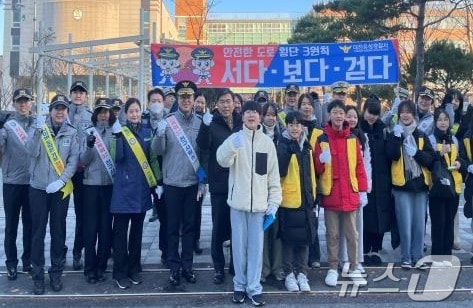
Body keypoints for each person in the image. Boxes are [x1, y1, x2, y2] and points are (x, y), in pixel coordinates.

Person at [217, 101, 282, 306]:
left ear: (260, 117)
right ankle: (239, 285)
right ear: (242, 116)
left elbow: (272, 176)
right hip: (238, 204)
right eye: (247, 112)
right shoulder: (235, 138)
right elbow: (222, 160)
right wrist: (231, 146)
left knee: (256, 249)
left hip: (259, 207)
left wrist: (274, 202)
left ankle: (254, 288)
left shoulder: (267, 143)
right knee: (238, 248)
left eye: (255, 112)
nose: (251, 115)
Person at [153, 80, 205, 286]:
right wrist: (159, 133)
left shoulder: (201, 123)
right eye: (182, 97)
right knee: (172, 228)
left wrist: (203, 181)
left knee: (190, 229)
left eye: (189, 97)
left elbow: (203, 154)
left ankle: (188, 267)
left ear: (193, 100)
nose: (186, 100)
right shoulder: (168, 121)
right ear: (177, 98)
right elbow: (158, 151)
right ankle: (174, 269)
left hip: (192, 183)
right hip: (172, 183)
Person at [26, 94, 79, 295]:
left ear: (67, 112)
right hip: (38, 188)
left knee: (58, 231)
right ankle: (37, 275)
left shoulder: (71, 133)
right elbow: (30, 152)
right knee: (37, 232)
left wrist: (61, 181)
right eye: (56, 108)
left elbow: (73, 160)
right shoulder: (38, 127)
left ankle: (56, 273)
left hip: (59, 190)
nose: (59, 112)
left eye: (63, 109)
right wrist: (39, 132)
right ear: (50, 111)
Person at [314, 99, 368, 287]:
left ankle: (353, 267)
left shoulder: (352, 139)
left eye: (341, 112)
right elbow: (316, 168)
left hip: (350, 193)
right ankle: (332, 268)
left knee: (352, 234)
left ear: (345, 116)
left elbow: (359, 166)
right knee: (332, 234)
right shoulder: (322, 139)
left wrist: (362, 190)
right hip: (331, 194)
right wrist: (320, 160)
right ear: (329, 115)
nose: (338, 116)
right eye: (335, 112)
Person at [110, 98, 157, 289]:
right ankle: (119, 272)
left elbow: (152, 159)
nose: (135, 114)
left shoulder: (147, 133)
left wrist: (157, 183)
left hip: (141, 192)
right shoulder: (120, 132)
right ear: (125, 113)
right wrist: (116, 138)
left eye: (137, 111)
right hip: (123, 192)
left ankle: (134, 268)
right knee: (120, 236)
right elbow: (117, 157)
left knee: (137, 234)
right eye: (131, 111)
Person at [196, 88, 242, 284]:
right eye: (222, 101)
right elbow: (203, 145)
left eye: (228, 101)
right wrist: (205, 127)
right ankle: (218, 268)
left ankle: (234, 265)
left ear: (234, 103)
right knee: (218, 227)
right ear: (217, 105)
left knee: (236, 228)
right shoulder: (211, 123)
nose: (225, 105)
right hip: (220, 183)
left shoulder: (241, 122)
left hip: (239, 181)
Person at [386, 100, 434, 270]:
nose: (405, 115)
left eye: (409, 112)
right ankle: (406, 257)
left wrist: (417, 153)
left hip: (420, 186)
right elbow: (391, 156)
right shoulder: (394, 133)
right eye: (402, 112)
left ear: (413, 114)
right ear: (399, 114)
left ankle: (418, 256)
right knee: (404, 224)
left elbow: (430, 159)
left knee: (419, 224)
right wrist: (396, 138)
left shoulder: (421, 135)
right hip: (401, 186)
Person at [277, 110, 316, 292]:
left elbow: (311, 173)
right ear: (286, 125)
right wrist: (288, 152)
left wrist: (314, 195)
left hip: (306, 199)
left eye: (298, 124)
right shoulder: (282, 144)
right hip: (289, 200)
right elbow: (280, 171)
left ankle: (302, 274)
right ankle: (289, 274)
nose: (294, 128)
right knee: (288, 239)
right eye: (291, 124)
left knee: (305, 239)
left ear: (302, 126)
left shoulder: (306, 146)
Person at [80, 98, 116, 284]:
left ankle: (101, 267)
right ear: (95, 113)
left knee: (105, 228)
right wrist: (88, 145)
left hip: (109, 187)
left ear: (111, 114)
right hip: (91, 186)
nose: (103, 114)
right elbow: (83, 161)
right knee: (90, 229)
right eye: (100, 111)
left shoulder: (116, 133)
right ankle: (89, 268)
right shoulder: (88, 132)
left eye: (106, 111)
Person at [0, 88, 34, 280]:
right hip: (12, 182)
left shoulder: (37, 124)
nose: (23, 104)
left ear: (31, 103)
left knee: (30, 224)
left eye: (26, 101)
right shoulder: (8, 126)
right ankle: (11, 263)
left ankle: (27, 260)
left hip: (32, 184)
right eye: (19, 101)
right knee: (11, 225)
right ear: (14, 103)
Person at [360, 98, 393, 266]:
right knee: (366, 215)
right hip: (365, 180)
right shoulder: (358, 129)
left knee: (381, 215)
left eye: (375, 113)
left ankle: (376, 250)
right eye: (369, 112)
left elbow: (390, 155)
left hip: (382, 180)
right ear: (363, 111)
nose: (371, 116)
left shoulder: (383, 130)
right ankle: (365, 250)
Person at [428, 109, 463, 266]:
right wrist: (440, 153)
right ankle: (437, 256)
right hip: (436, 186)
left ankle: (447, 255)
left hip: (453, 186)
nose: (443, 122)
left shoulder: (454, 139)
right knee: (438, 222)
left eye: (445, 119)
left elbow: (462, 158)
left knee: (449, 221)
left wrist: (459, 163)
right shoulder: (430, 138)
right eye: (440, 119)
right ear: (435, 122)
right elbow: (427, 161)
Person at [68, 80, 93, 271]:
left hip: (82, 172)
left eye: (81, 92)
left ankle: (78, 251)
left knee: (82, 214)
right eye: (75, 92)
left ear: (86, 96)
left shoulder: (90, 117)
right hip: (62, 171)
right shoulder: (60, 112)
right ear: (70, 95)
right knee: (57, 217)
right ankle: (58, 252)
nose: (78, 95)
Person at [297, 93, 323, 269]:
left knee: (313, 218)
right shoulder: (294, 126)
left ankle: (314, 255)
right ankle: (299, 256)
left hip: (315, 179)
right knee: (299, 219)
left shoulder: (319, 130)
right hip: (297, 178)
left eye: (309, 104)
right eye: (303, 104)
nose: (306, 107)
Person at [260, 102, 284, 283]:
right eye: (267, 114)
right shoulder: (258, 136)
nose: (270, 118)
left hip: (278, 190)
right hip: (261, 191)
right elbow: (260, 169)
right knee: (262, 232)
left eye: (273, 115)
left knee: (276, 232)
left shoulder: (281, 137)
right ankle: (263, 269)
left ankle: (277, 268)